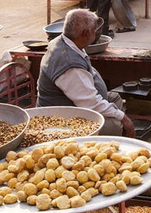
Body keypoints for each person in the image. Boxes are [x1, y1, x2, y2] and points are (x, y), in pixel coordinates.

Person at [37, 9, 136, 137]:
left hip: (76, 102)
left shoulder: (65, 41)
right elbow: (90, 103)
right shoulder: (69, 64)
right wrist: (125, 120)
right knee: (116, 126)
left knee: (115, 98)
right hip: (60, 118)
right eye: (94, 31)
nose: (95, 34)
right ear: (85, 34)